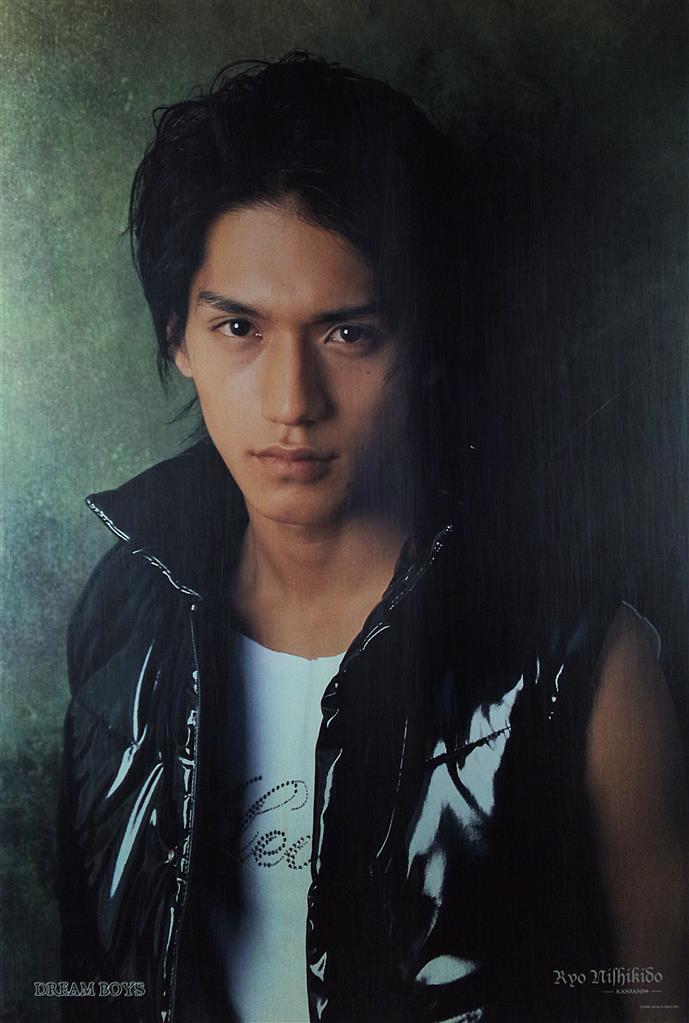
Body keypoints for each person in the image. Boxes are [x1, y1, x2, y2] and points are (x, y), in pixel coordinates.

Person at [58, 53, 688, 1023]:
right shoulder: (120, 613)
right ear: (178, 336)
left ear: (422, 344)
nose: (290, 402)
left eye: (347, 333)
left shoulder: (581, 663)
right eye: (239, 329)